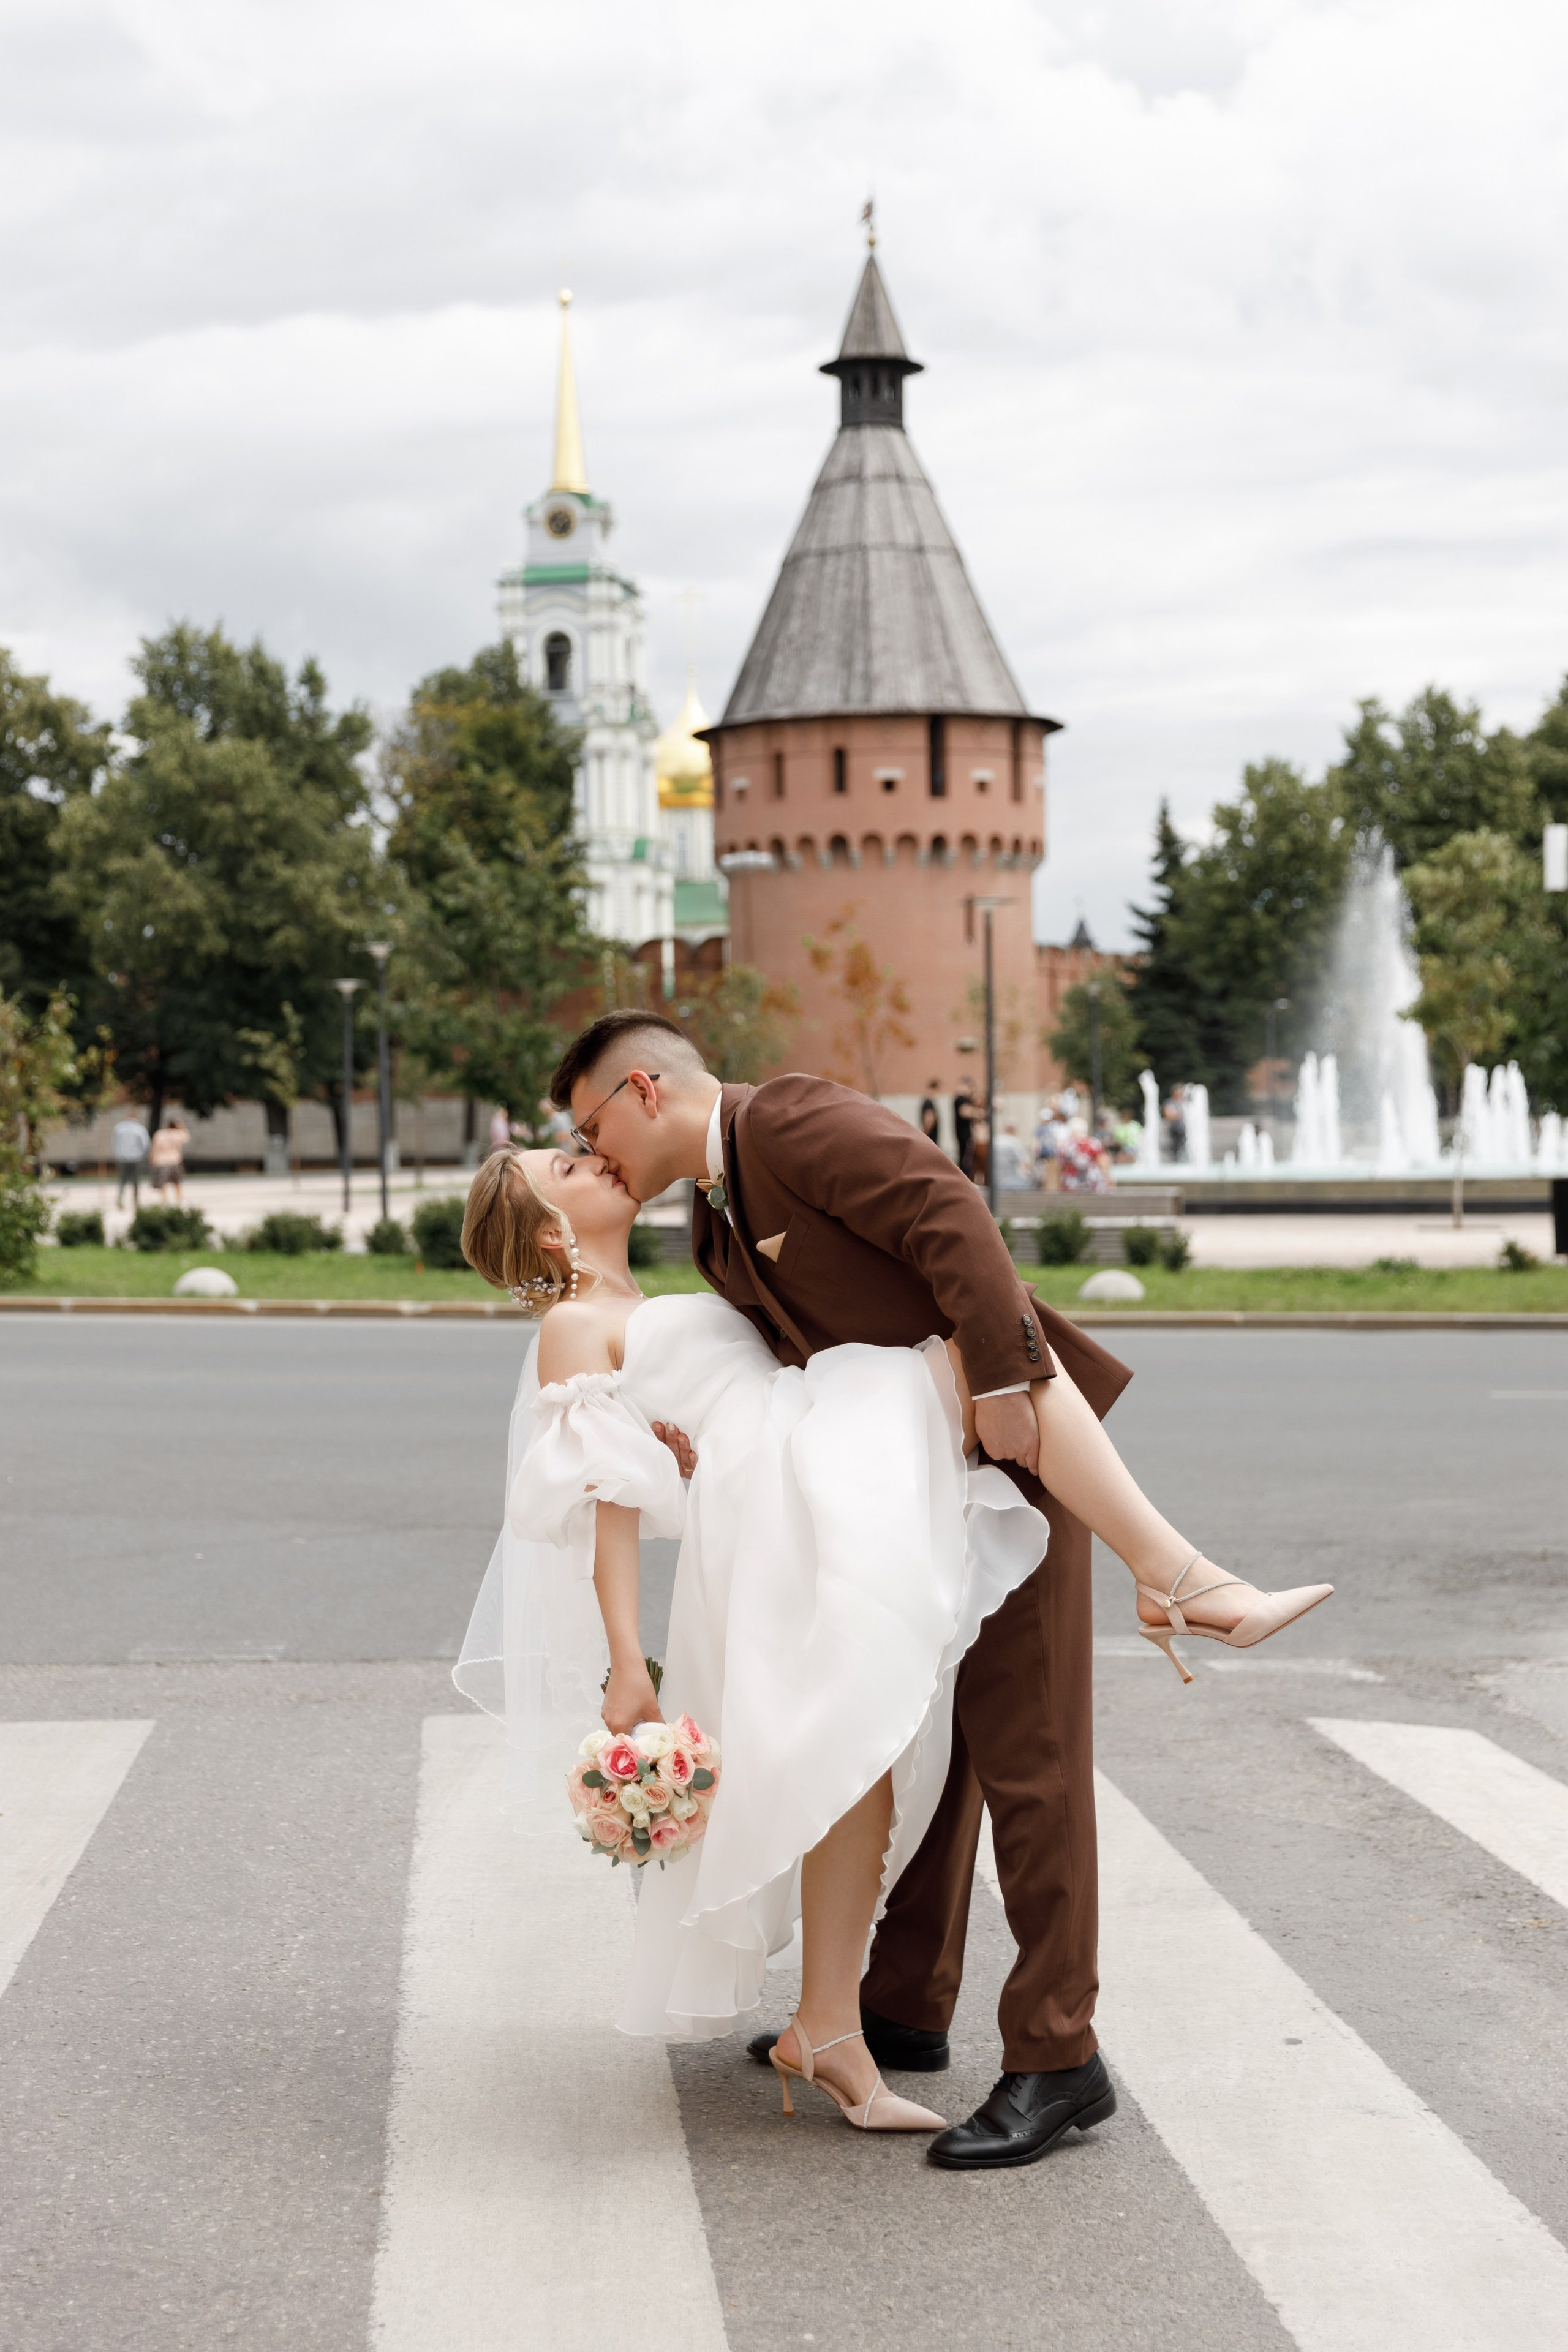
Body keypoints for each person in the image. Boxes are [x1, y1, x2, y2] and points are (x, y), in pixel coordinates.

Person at [464, 1011, 1332, 2171]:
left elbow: (950, 1216)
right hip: (864, 1497)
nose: (594, 1150)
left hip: (986, 1458)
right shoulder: (711, 1232)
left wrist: (1011, 1378)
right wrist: (681, 1446)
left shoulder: (790, 1119)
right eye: (572, 1151)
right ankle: (901, 2007)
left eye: (587, 1129)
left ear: (639, 1087)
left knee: (1027, 1758)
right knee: (916, 1744)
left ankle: (1058, 2057)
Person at [111, 1112, 150, 1209]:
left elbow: (114, 1143)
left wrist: (117, 1155)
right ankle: (136, 1200)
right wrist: (143, 1155)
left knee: (122, 1180)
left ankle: (120, 1199)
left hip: (122, 1158)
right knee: (136, 1180)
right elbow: (146, 1144)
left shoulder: (119, 1128)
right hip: (136, 1158)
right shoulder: (140, 1129)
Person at [147, 1117, 189, 1204]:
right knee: (177, 1182)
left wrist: (152, 1159)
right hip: (175, 1161)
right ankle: (179, 1199)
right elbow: (187, 1137)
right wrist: (181, 1126)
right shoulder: (177, 1134)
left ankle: (164, 1199)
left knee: (163, 1183)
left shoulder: (160, 1134)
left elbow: (154, 1148)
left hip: (161, 1161)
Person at [918, 1083, 942, 1150]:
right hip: (930, 1137)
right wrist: (925, 1133)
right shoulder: (928, 1103)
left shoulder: (928, 1102)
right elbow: (929, 1119)